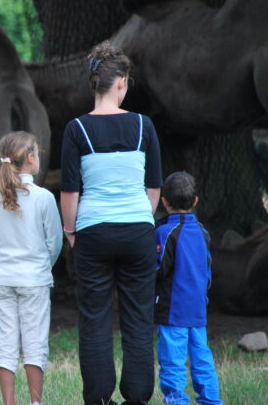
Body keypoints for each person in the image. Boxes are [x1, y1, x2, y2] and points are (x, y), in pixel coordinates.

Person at [60, 42, 162, 405]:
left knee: (94, 318)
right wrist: (141, 219)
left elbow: (70, 191)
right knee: (139, 317)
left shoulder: (77, 129)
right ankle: (137, 396)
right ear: (121, 82)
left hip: (93, 232)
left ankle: (99, 397)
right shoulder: (143, 125)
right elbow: (153, 187)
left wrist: (71, 231)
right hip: (137, 230)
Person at [0, 131, 62, 405]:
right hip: (35, 279)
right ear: (30, 158)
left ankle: (9, 402)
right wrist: (43, 265)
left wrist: (6, 258)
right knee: (34, 342)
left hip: (4, 278)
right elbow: (54, 242)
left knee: (6, 340)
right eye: (37, 153)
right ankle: (35, 402)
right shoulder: (43, 197)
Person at [155, 172, 222, 405]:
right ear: (195, 201)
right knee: (202, 358)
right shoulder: (203, 232)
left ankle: (176, 400)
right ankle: (211, 400)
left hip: (173, 311)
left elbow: (158, 269)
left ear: (164, 201)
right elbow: (207, 270)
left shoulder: (164, 233)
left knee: (172, 361)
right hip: (198, 309)